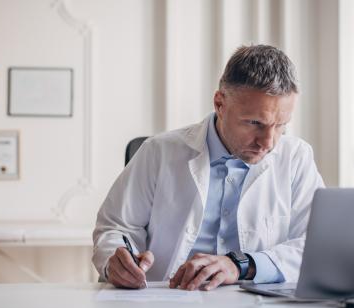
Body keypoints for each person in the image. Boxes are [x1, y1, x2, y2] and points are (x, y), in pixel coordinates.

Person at [92, 45, 324, 291]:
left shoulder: (296, 157)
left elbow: (316, 245)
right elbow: (116, 227)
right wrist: (116, 261)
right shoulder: (158, 151)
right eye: (255, 123)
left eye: (281, 126)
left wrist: (241, 265)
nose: (268, 142)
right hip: (166, 304)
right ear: (220, 103)